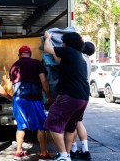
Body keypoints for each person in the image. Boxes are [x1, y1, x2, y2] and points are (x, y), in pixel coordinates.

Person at [43, 32, 90, 161]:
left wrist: (48, 38)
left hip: (71, 96)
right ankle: (67, 154)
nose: (62, 43)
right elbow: (57, 59)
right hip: (83, 98)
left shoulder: (68, 51)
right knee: (70, 127)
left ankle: (63, 155)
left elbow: (47, 49)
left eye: (63, 41)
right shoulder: (79, 56)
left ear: (67, 42)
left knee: (52, 121)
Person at [9, 45, 53, 161]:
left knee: (20, 126)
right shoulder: (36, 63)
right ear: (30, 54)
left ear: (19, 55)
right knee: (41, 126)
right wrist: (49, 96)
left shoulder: (14, 66)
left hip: (18, 99)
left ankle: (18, 152)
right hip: (33, 98)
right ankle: (43, 153)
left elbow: (11, 85)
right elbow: (43, 80)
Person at [70, 42, 95, 160]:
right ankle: (85, 151)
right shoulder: (88, 60)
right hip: (84, 93)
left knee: (71, 124)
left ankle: (73, 150)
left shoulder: (79, 59)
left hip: (76, 93)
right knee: (78, 122)